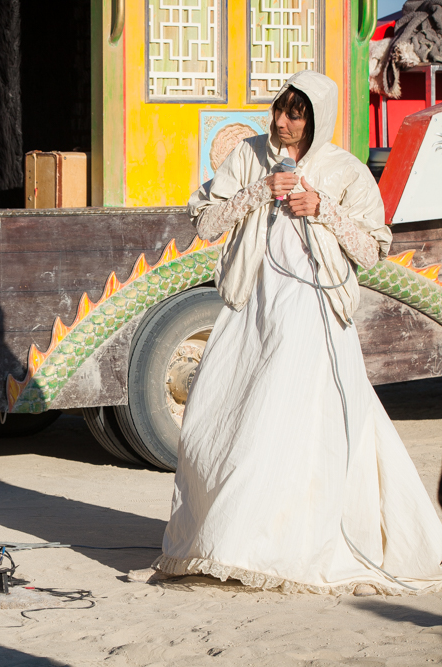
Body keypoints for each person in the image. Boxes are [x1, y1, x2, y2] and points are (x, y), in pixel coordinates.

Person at [153, 70, 442, 594]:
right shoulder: (249, 155)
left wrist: (322, 209)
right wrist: (260, 191)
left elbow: (372, 247)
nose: (282, 122)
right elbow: (205, 222)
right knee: (214, 417)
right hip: (251, 303)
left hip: (311, 311)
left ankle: (270, 546)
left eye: (295, 113)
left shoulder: (345, 171)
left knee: (285, 424)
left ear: (317, 119)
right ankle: (222, 541)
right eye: (280, 110)